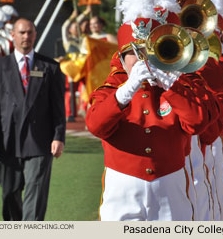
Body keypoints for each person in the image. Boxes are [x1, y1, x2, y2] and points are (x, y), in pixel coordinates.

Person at [85, 17, 212, 221]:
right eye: (136, 54)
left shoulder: (176, 87)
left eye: (151, 52)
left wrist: (171, 86)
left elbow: (197, 122)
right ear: (122, 59)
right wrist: (126, 90)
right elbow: (95, 125)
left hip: (170, 183)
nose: (144, 60)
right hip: (122, 186)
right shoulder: (112, 89)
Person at [0, 18, 66, 221]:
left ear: (35, 35)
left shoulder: (50, 67)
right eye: (22, 33)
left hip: (39, 142)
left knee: (36, 193)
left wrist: (59, 137)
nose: (26, 36)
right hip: (7, 142)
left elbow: (58, 107)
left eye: (30, 32)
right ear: (12, 35)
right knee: (9, 194)